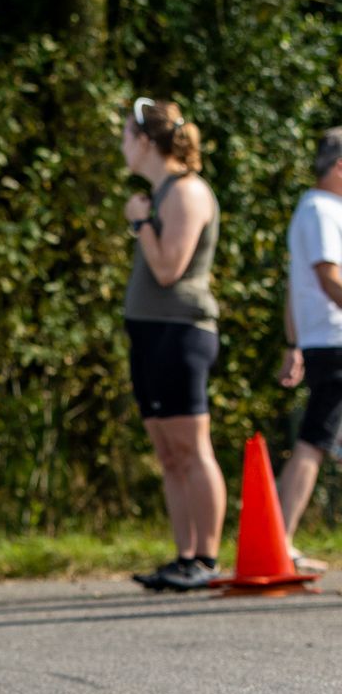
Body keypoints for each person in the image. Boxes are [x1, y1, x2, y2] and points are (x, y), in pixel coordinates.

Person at [120, 97, 224, 592]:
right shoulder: (161, 193)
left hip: (180, 333)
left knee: (192, 448)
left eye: (126, 137)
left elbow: (168, 269)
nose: (122, 147)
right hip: (149, 333)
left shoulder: (186, 192)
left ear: (145, 141)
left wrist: (141, 223)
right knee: (168, 454)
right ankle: (183, 558)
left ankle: (206, 558)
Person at [273, 128, 342, 575]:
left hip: (323, 340)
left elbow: (293, 287)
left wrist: (292, 342)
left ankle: (278, 538)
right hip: (335, 342)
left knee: (321, 439)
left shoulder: (317, 208)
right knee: (315, 440)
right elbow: (326, 277)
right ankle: (277, 540)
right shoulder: (321, 209)